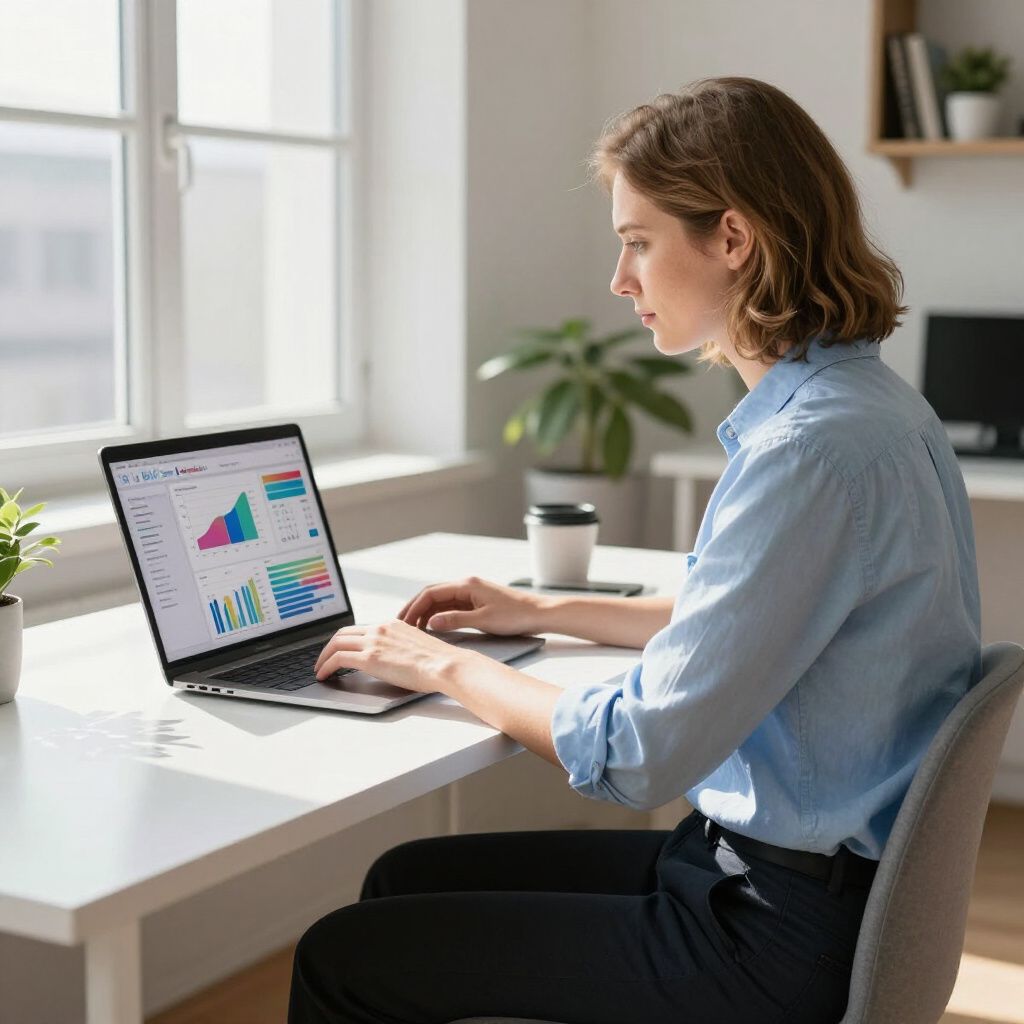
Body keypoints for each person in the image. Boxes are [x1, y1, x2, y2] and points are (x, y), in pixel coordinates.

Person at [287, 77, 981, 1024]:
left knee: (343, 957)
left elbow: (639, 754)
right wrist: (539, 610)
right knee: (402, 877)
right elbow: (746, 614)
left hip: (765, 937)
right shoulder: (874, 408)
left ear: (732, 239)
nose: (621, 280)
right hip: (787, 884)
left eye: (638, 243)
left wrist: (439, 664)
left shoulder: (806, 452)